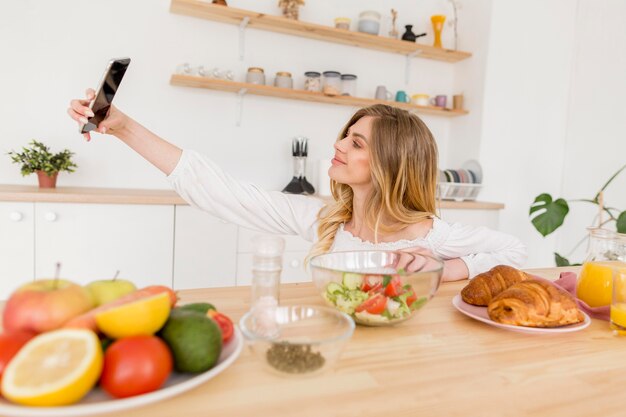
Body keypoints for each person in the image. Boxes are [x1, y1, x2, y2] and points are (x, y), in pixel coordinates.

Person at [68, 89, 527, 281]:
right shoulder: (325, 220)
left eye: (356, 142)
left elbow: (515, 253)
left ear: (391, 163)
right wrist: (124, 127)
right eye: (345, 135)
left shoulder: (433, 236)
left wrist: (441, 270)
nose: (339, 144)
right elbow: (217, 189)